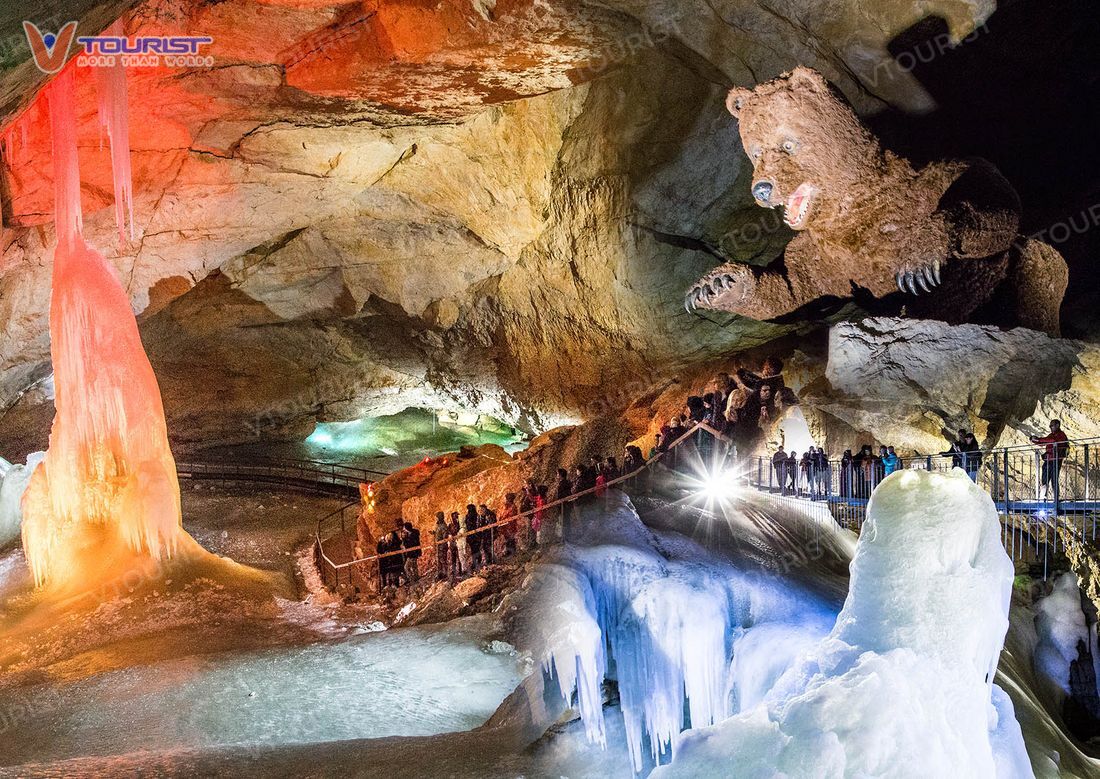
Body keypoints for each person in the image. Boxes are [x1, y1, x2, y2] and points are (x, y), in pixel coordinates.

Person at [1031, 419, 1070, 501]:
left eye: (1051, 426)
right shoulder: (1051, 435)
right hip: (1048, 460)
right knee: (1045, 479)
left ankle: (1056, 499)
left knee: (1054, 479)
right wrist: (1034, 440)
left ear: (1057, 425)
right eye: (1050, 426)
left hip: (1056, 460)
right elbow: (1044, 442)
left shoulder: (1061, 435)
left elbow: (1053, 441)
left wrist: (1039, 439)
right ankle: (1043, 498)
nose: (1050, 427)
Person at [463, 504, 482, 571]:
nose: (469, 510)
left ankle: (478, 562)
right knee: (473, 550)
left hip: (475, 535)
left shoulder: (476, 516)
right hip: (471, 536)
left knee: (476, 549)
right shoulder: (469, 516)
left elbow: (477, 525)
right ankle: (475, 563)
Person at [432, 512, 450, 581]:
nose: (436, 519)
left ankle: (445, 574)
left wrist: (442, 546)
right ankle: (439, 574)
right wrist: (434, 533)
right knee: (438, 560)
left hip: (442, 546)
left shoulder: (443, 526)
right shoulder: (438, 525)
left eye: (437, 517)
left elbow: (444, 537)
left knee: (443, 560)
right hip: (438, 546)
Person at [447, 511, 463, 578]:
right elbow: (448, 532)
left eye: (456, 516)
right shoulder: (450, 525)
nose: (455, 517)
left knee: (459, 557)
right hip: (452, 543)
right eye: (454, 516)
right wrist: (450, 535)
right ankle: (453, 571)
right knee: (453, 558)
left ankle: (460, 571)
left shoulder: (459, 524)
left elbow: (460, 532)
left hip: (458, 542)